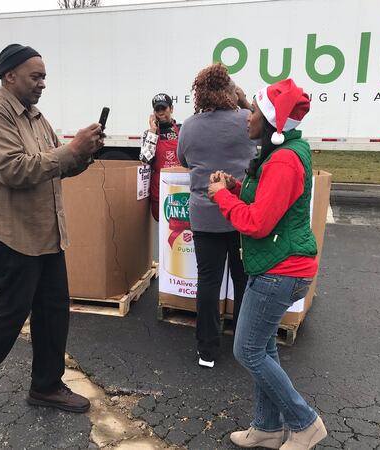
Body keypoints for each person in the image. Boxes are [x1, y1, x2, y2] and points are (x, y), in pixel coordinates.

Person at [0, 44, 104, 424]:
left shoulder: (36, 118)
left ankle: (46, 385)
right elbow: (14, 170)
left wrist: (83, 153)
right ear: (9, 75)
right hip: (10, 233)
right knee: (9, 314)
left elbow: (53, 168)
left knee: (53, 311)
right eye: (36, 76)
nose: (42, 83)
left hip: (45, 232)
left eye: (44, 76)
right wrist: (70, 150)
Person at [208, 79, 327, 449]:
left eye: (254, 111)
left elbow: (258, 223)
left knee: (247, 350)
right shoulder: (279, 154)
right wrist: (233, 187)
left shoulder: (285, 160)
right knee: (263, 348)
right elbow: (265, 203)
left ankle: (304, 423)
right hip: (276, 266)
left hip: (280, 270)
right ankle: (267, 428)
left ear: (273, 122)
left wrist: (221, 199)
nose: (247, 117)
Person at [177, 63, 256, 368]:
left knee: (208, 281)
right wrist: (245, 101)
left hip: (204, 213)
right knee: (243, 278)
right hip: (239, 211)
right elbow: (265, 140)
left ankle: (207, 351)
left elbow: (184, 159)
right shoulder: (246, 120)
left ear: (199, 94)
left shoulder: (190, 126)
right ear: (229, 90)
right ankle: (243, 344)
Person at [140, 93, 182, 221]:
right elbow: (145, 160)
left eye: (164, 109)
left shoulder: (182, 130)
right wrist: (153, 131)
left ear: (171, 109)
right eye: (157, 110)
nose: (161, 113)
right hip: (159, 188)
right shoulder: (149, 134)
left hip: (181, 186)